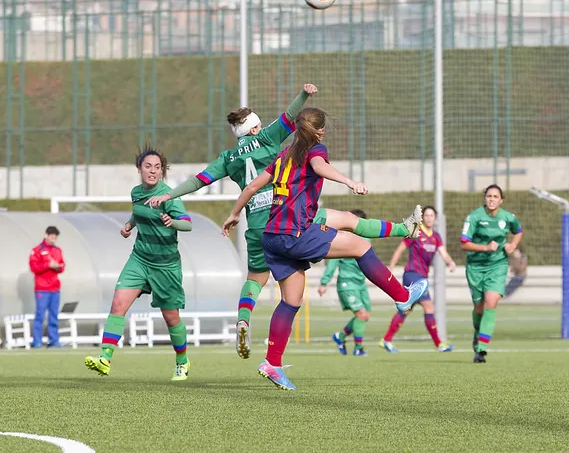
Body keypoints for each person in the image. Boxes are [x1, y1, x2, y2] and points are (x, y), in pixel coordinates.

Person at [147, 85, 420, 361]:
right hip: (289, 214)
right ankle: (403, 231)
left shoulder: (229, 158)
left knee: (258, 280)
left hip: (257, 226)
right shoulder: (269, 140)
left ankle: (246, 322)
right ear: (254, 128)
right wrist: (304, 95)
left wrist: (171, 194)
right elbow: (292, 118)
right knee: (350, 222)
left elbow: (201, 180)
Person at [222, 107, 428, 390]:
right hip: (296, 233)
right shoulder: (314, 151)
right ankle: (402, 296)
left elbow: (251, 187)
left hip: (272, 237)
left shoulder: (283, 156)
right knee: (359, 244)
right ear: (319, 131)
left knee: (291, 300)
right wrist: (349, 181)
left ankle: (272, 362)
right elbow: (320, 167)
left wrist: (234, 214)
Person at [85, 147, 193, 381]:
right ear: (139, 169)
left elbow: (188, 224)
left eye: (157, 167)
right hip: (140, 259)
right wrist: (129, 225)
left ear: (162, 171)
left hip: (165, 265)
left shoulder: (169, 196)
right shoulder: (136, 192)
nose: (153, 171)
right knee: (118, 304)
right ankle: (105, 357)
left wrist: (172, 222)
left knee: (171, 317)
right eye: (148, 166)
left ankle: (182, 361)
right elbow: (139, 212)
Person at [379, 206, 456, 353]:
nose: (428, 218)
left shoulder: (436, 237)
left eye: (431, 215)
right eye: (426, 215)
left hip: (422, 276)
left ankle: (386, 340)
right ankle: (439, 344)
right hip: (413, 275)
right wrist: (391, 267)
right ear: (422, 218)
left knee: (406, 309)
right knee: (429, 307)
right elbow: (400, 249)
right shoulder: (416, 232)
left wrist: (450, 262)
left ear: (436, 218)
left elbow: (444, 253)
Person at [461, 184, 523, 363]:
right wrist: (485, 247)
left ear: (501, 200)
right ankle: (477, 334)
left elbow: (518, 231)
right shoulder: (474, 217)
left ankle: (481, 349)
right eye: (489, 196)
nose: (492, 199)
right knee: (479, 308)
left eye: (496, 196)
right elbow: (464, 243)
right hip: (475, 267)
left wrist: (513, 245)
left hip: (498, 266)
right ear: (485, 198)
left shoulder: (508, 217)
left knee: (491, 302)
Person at [318, 209, 372, 357]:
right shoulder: (342, 240)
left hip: (360, 283)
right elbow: (332, 263)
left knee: (366, 315)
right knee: (360, 314)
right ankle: (358, 348)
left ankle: (340, 336)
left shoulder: (366, 240)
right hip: (347, 283)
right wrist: (324, 283)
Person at [29, 226, 65, 348]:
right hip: (42, 289)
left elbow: (62, 266)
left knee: (54, 316)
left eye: (55, 236)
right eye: (52, 235)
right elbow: (34, 267)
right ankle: (37, 341)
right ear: (46, 235)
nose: (53, 238)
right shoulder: (37, 250)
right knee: (40, 315)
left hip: (55, 288)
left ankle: (54, 340)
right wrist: (47, 265)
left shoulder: (57, 250)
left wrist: (58, 266)